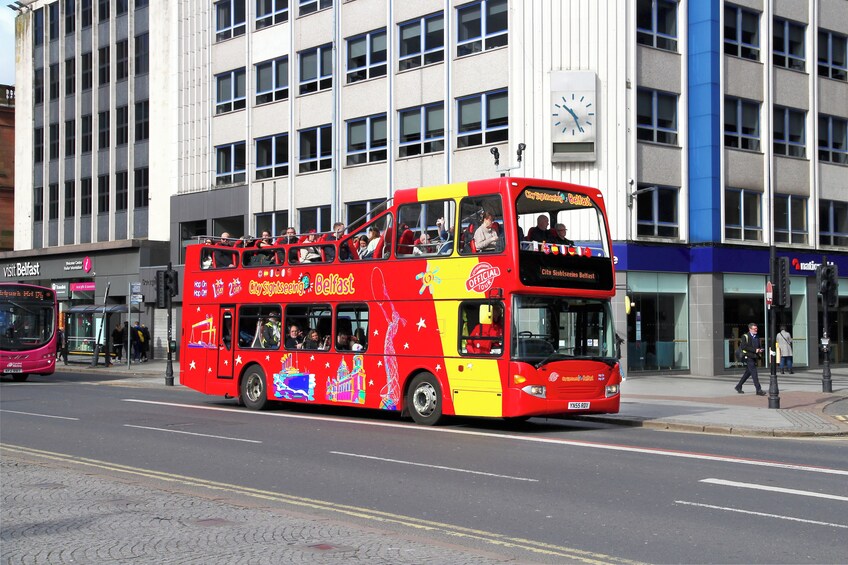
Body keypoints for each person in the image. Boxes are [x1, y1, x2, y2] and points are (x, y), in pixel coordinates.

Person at [735, 322, 766, 395]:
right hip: (748, 356)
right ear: (750, 329)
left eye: (756, 328)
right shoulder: (745, 336)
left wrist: (761, 349)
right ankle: (758, 390)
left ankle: (738, 386)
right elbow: (744, 347)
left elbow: (759, 345)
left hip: (754, 356)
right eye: (754, 329)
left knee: (748, 373)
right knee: (754, 373)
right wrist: (755, 350)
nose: (756, 330)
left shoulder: (757, 336)